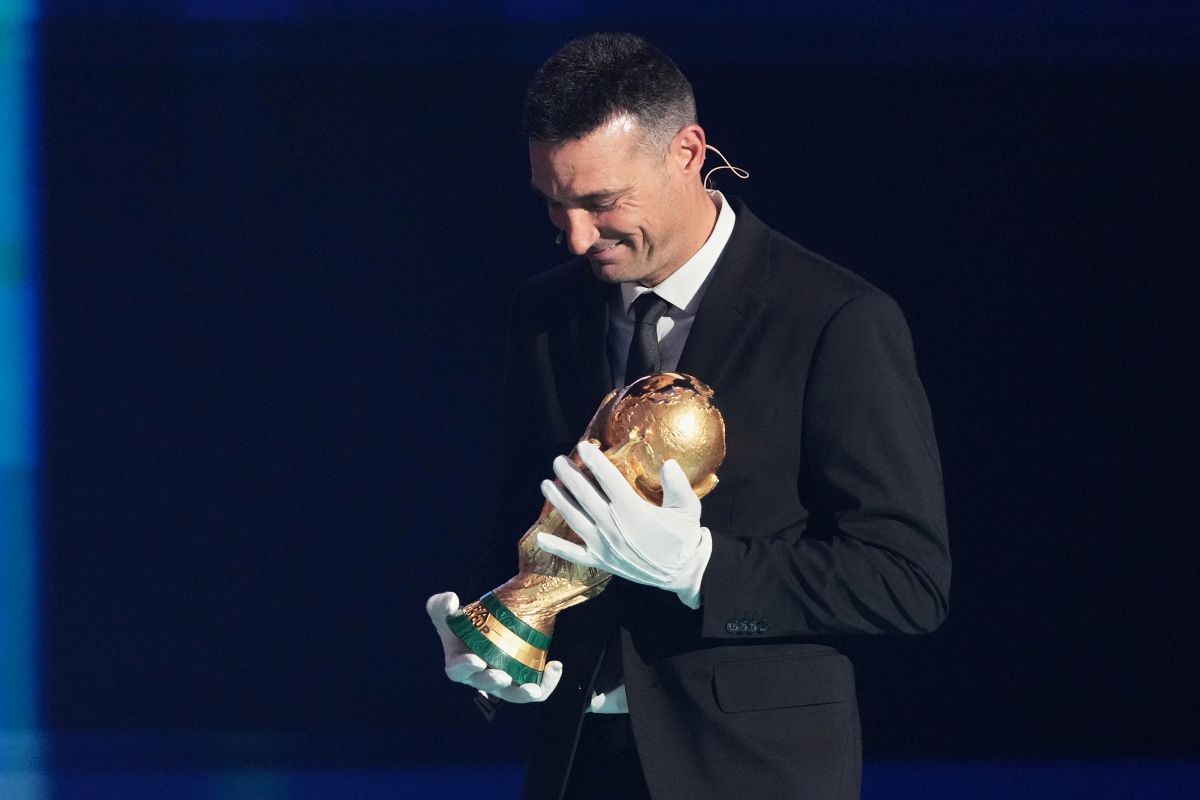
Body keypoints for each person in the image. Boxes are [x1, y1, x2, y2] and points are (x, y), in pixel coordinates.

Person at [427, 31, 950, 800]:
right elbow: (530, 506)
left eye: (601, 202)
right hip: (579, 761)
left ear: (688, 152)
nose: (576, 236)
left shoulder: (834, 317)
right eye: (553, 203)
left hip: (752, 768)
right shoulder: (548, 311)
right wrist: (500, 630)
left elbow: (907, 581)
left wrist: (702, 570)